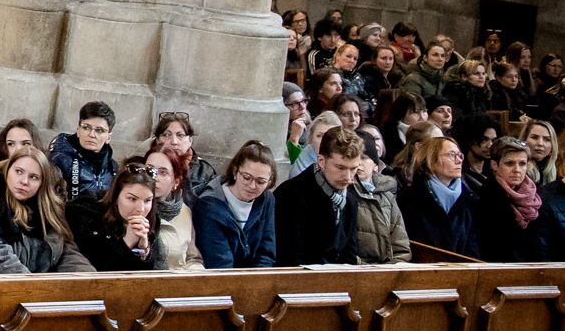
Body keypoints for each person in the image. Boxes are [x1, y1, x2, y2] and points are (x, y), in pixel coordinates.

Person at [0, 145, 94, 273]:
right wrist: (41, 286)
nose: (24, 181)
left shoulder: (47, 207)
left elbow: (66, 253)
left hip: (37, 283)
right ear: (7, 170)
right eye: (18, 171)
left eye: (34, 177)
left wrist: (90, 279)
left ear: (42, 182)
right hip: (7, 283)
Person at [273, 125, 378, 265]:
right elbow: (290, 258)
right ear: (321, 161)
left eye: (353, 168)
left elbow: (349, 256)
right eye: (340, 167)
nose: (348, 177)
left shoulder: (351, 199)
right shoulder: (290, 195)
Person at [193, 142, 280, 269]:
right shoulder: (209, 204)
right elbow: (219, 262)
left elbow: (266, 251)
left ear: (270, 181)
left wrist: (259, 277)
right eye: (246, 178)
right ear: (235, 171)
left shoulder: (266, 200)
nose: (252, 186)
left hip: (255, 277)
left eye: (261, 182)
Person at [479, 138, 565, 262]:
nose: (517, 169)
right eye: (509, 163)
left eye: (522, 164)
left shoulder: (534, 198)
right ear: (494, 165)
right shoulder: (484, 200)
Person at [398, 132, 476, 258]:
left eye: (459, 155)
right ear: (430, 160)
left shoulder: (466, 199)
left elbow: (471, 250)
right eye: (451, 155)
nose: (459, 161)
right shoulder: (410, 199)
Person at [74, 162, 163, 271]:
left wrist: (143, 249)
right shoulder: (87, 214)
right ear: (116, 197)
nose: (141, 209)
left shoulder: (152, 221)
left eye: (147, 200)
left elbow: (148, 277)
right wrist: (127, 243)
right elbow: (97, 271)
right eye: (132, 199)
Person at [49, 101, 118, 202]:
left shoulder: (113, 168)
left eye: (99, 130)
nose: (92, 134)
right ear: (78, 131)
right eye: (86, 128)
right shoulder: (59, 159)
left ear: (108, 137)